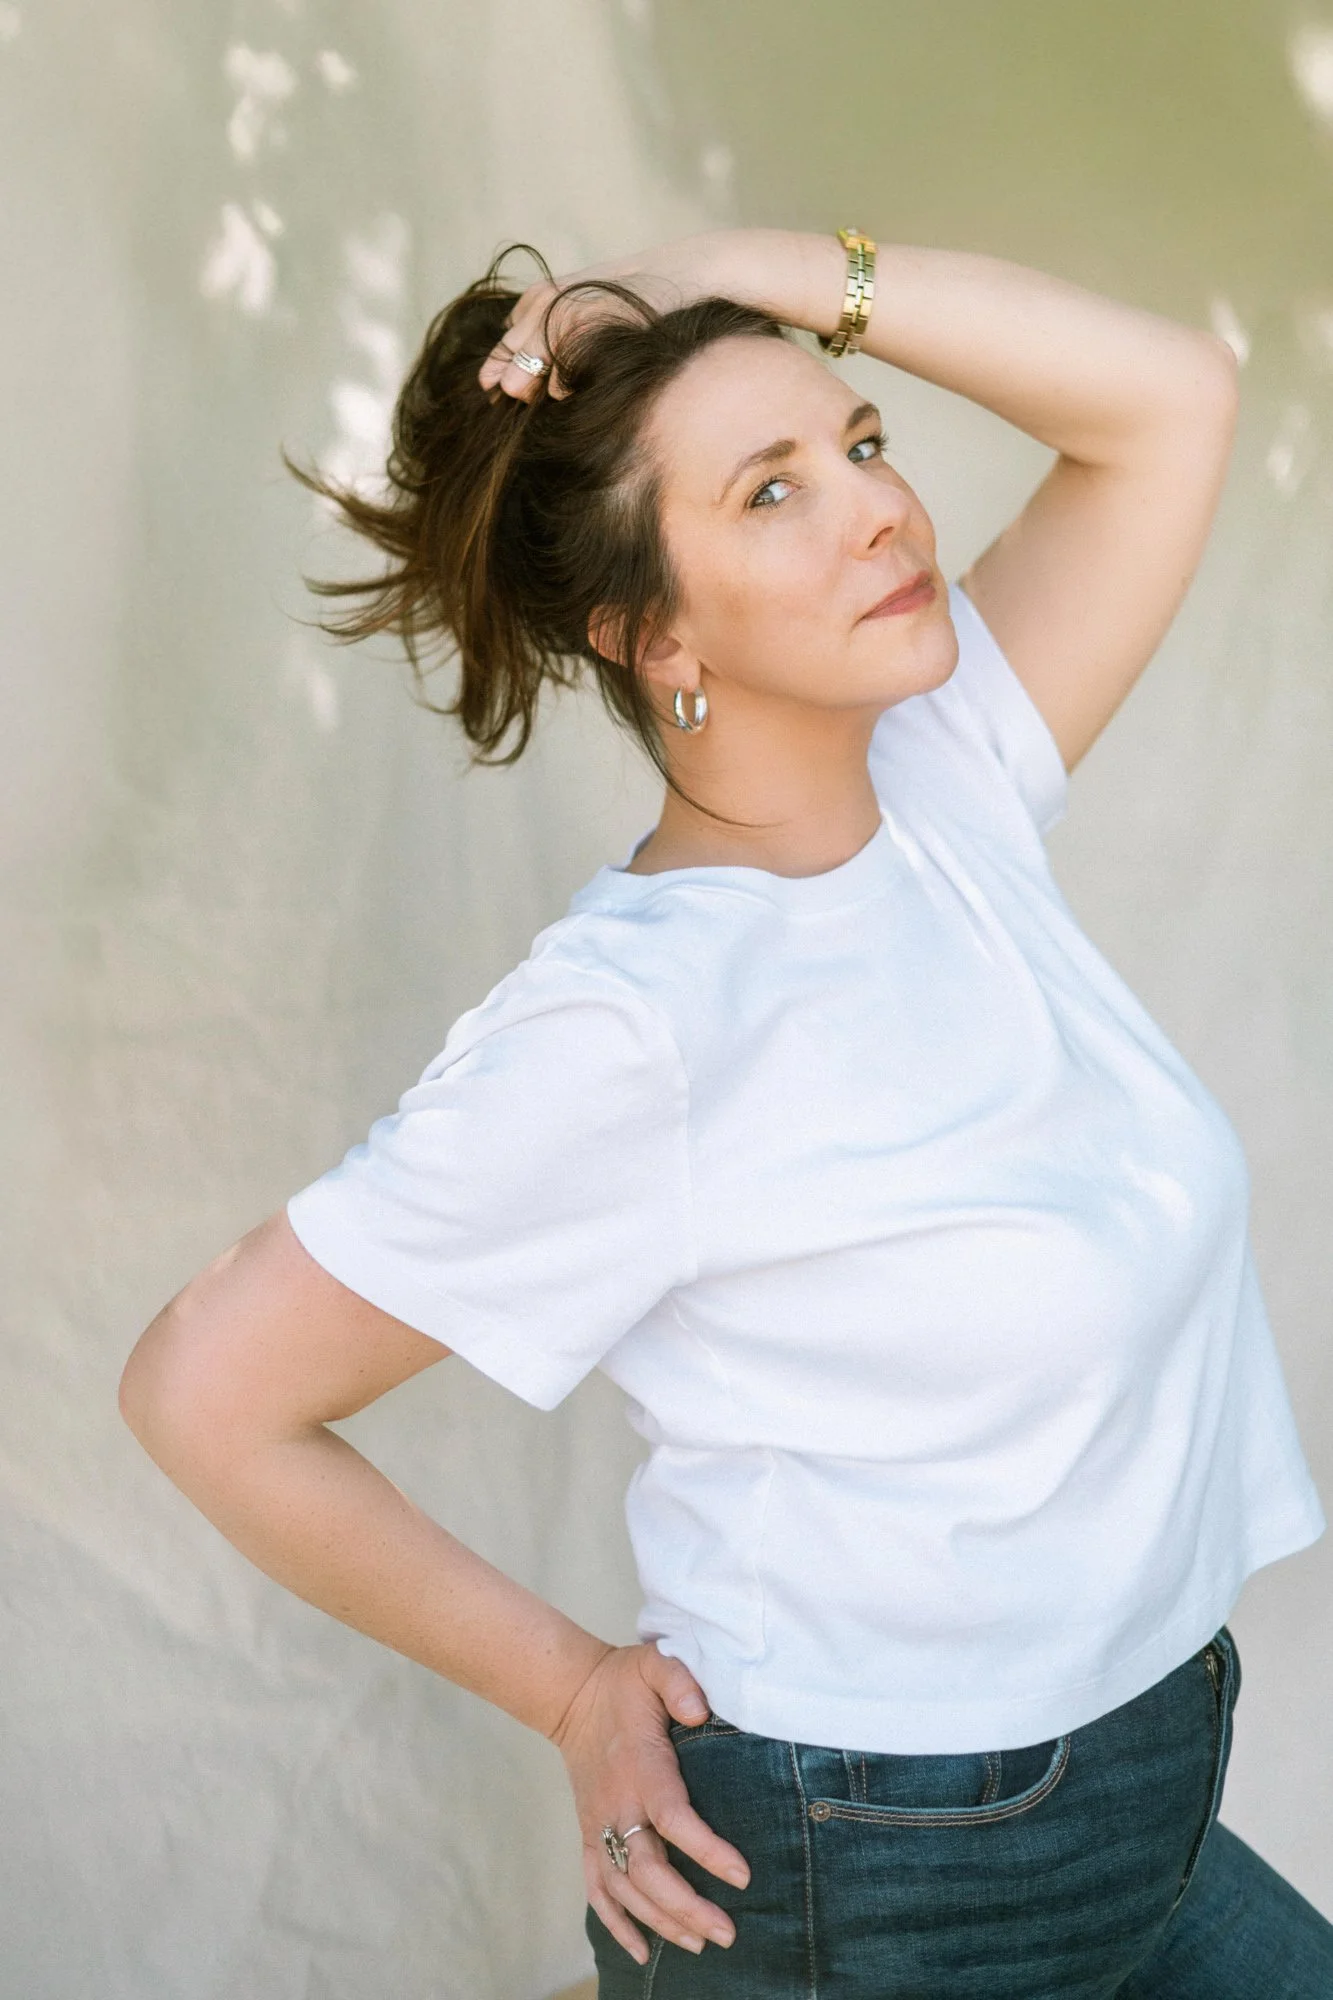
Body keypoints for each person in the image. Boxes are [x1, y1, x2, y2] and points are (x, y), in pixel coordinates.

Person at [119, 226, 1332, 1996]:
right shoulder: (638, 1021)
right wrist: (568, 1687)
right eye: (770, 495)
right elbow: (205, 1393)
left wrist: (712, 265)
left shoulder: (945, 779)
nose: (878, 512)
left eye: (859, 443)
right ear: (646, 628)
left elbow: (1172, 400)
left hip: (1142, 1794)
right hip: (875, 1865)